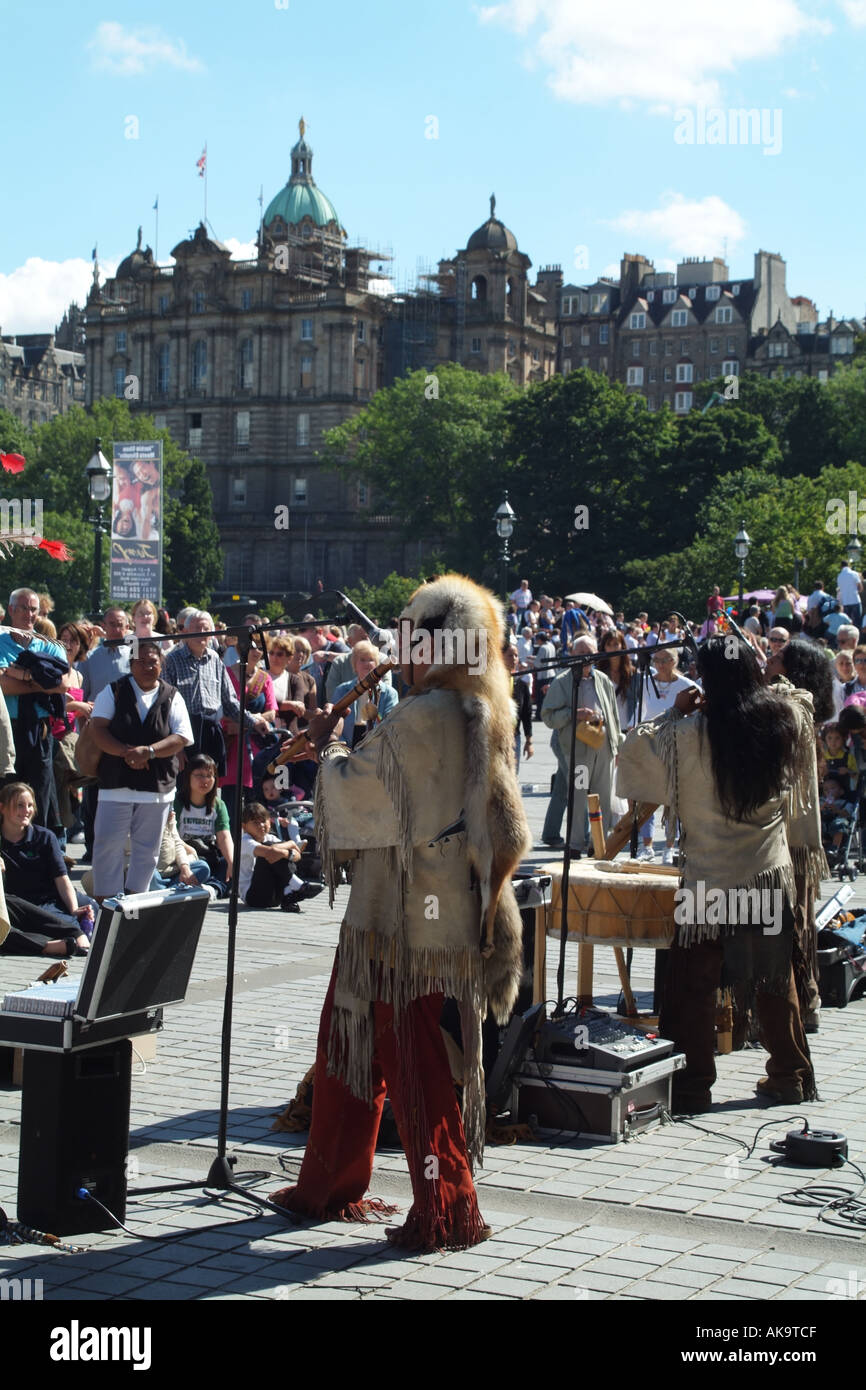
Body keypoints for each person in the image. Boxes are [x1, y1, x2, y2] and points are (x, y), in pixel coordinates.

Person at [269, 574, 530, 1250]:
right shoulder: (476, 707)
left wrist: (328, 745)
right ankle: (326, 1185)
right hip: (409, 910)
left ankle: (450, 1207)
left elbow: (358, 800)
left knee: (409, 1063)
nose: (400, 650)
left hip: (406, 920)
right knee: (344, 1043)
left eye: (411, 638)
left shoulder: (423, 716)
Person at [617, 635, 817, 1111]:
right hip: (765, 875)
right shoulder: (783, 720)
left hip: (707, 880)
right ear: (752, 672)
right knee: (773, 979)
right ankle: (789, 1076)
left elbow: (631, 753)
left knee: (692, 987)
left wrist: (674, 711)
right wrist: (771, 687)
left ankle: (690, 1087)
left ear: (704, 679)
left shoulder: (685, 734)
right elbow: (804, 699)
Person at [88, 639, 193, 900]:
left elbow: (181, 736)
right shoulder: (113, 691)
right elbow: (97, 728)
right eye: (141, 662)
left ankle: (135, 905)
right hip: (116, 784)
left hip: (156, 788)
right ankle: (106, 906)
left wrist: (150, 752)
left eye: (153, 662)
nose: (148, 666)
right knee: (107, 847)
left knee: (147, 851)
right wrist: (127, 752)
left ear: (161, 664)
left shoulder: (172, 695)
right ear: (131, 665)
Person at [540, 634, 623, 853]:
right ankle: (575, 844)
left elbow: (614, 716)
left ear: (596, 655)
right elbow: (548, 717)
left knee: (603, 798)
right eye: (580, 653)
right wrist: (574, 713)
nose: (585, 657)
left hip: (602, 747)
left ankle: (598, 844)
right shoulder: (562, 681)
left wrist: (617, 746)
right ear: (572, 655)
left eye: (589, 653)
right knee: (578, 798)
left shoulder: (604, 680)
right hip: (578, 749)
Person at [163, 611, 270, 775]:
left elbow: (229, 702)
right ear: (186, 631)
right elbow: (166, 707)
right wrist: (175, 746)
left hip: (212, 731)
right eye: (197, 628)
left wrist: (253, 721)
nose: (202, 633)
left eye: (206, 628)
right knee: (184, 787)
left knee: (210, 786)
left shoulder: (215, 660)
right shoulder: (171, 660)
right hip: (184, 731)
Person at [0, 588, 71, 828]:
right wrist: (42, 684)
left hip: (39, 730)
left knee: (39, 791)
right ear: (11, 610)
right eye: (23, 608)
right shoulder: (1, 642)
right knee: (7, 789)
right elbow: (5, 687)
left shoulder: (50, 646)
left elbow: (62, 684)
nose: (29, 614)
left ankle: (39, 848)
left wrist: (22, 675)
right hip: (8, 726)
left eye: (34, 609)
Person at [0, 782, 97, 927]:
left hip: (54, 894)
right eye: (20, 805)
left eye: (30, 805)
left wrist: (74, 909)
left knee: (96, 911)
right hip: (29, 904)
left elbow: (62, 879)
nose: (27, 810)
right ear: (2, 808)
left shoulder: (45, 836)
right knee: (69, 927)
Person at [238, 801, 320, 911]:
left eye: (263, 821)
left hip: (274, 896)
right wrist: (291, 844)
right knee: (271, 851)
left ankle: (289, 894)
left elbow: (297, 856)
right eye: (255, 823)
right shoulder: (244, 841)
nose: (261, 825)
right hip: (254, 897)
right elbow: (269, 852)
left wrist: (286, 852)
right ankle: (298, 887)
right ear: (244, 826)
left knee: (279, 851)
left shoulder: (270, 838)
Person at [174, 753, 234, 893]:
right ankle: (211, 888)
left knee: (231, 862)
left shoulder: (218, 804)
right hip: (186, 856)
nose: (205, 780)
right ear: (188, 776)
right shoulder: (177, 802)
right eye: (199, 775)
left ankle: (212, 889)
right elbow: (172, 837)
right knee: (200, 867)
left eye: (209, 775)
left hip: (209, 855)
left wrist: (232, 862)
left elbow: (224, 837)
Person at [330, 640, 398, 749]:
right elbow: (332, 721)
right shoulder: (342, 690)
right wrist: (342, 748)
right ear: (354, 665)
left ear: (376, 664)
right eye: (362, 660)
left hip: (377, 746)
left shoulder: (390, 693)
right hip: (346, 744)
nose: (367, 664)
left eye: (371, 660)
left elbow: (390, 722)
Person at [503, 643, 533, 766]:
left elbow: (527, 715)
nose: (514, 659)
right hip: (495, 738)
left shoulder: (521, 685)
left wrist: (529, 741)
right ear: (501, 657)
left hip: (514, 737)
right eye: (510, 655)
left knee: (513, 775)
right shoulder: (493, 683)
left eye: (516, 656)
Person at [836, 558, 863, 629]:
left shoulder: (839, 576)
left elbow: (840, 589)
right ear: (849, 565)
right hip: (855, 600)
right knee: (857, 622)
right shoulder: (854, 573)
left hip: (845, 602)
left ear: (841, 566)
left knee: (848, 623)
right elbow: (860, 588)